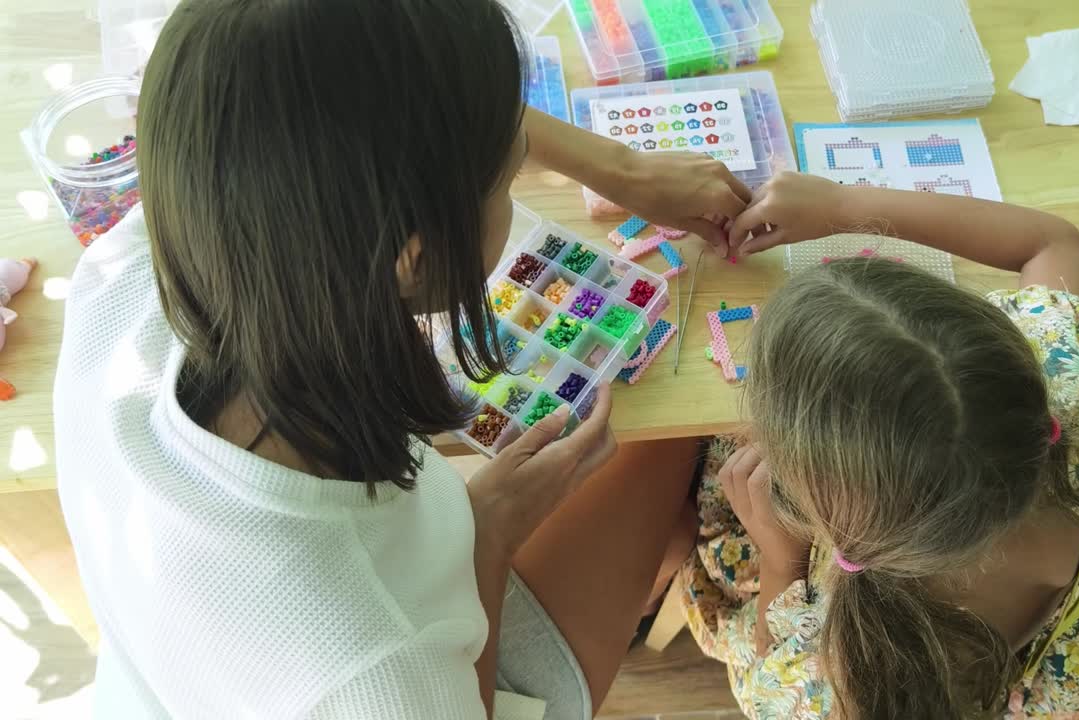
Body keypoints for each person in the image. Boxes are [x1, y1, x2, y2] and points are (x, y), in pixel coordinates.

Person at [52, 0, 745, 717]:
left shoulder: (129, 274)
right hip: (440, 663)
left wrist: (620, 167)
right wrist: (484, 540)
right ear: (415, 257)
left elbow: (375, 104)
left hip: (243, 651)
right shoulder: (376, 676)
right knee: (670, 444)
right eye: (504, 184)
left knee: (662, 503)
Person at [677, 172, 1079, 719]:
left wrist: (784, 561)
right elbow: (1053, 242)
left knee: (689, 508)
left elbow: (771, 678)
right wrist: (842, 204)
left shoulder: (830, 680)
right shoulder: (1072, 380)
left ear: (824, 503)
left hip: (817, 609)